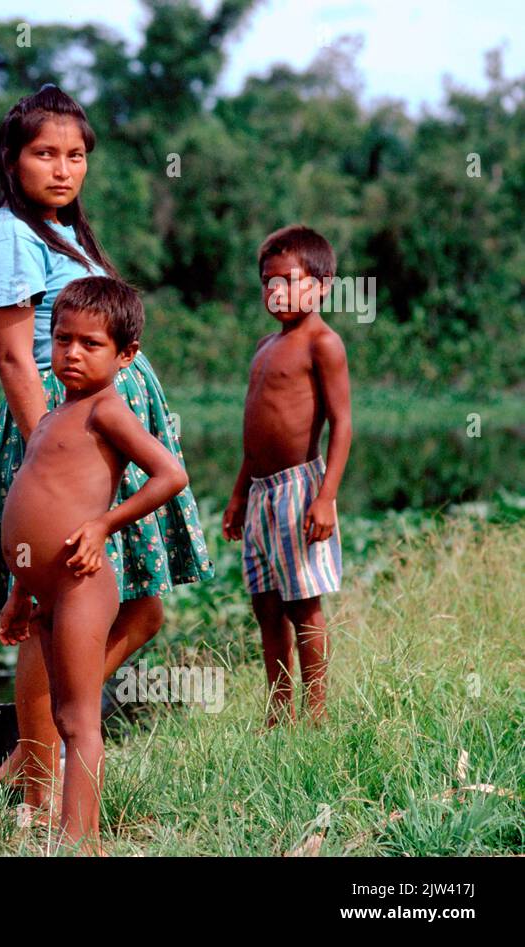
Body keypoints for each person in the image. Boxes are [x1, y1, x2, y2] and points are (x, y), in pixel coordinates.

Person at [0, 83, 213, 813]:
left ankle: (44, 735)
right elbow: (16, 357)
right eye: (45, 154)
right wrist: (54, 444)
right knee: (51, 609)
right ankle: (40, 770)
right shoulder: (11, 236)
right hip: (63, 434)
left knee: (139, 609)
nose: (63, 168)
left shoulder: (62, 230)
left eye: (75, 155)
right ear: (12, 160)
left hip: (104, 432)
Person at [1, 276, 189, 854]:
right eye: (62, 341)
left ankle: (81, 842)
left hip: (84, 584)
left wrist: (105, 524)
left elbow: (171, 474)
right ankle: (74, 833)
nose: (71, 354)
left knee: (81, 719)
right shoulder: (56, 414)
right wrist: (18, 593)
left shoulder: (107, 409)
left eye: (90, 344)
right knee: (62, 714)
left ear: (126, 355)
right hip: (45, 590)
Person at [221, 225, 352, 728]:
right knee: (267, 606)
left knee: (304, 606)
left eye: (290, 281)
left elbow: (342, 424)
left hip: (301, 489)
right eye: (268, 281)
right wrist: (237, 495)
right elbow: (255, 437)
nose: (277, 291)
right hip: (260, 494)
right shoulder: (264, 344)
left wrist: (326, 498)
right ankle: (278, 709)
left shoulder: (324, 344)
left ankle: (315, 711)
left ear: (321, 285)